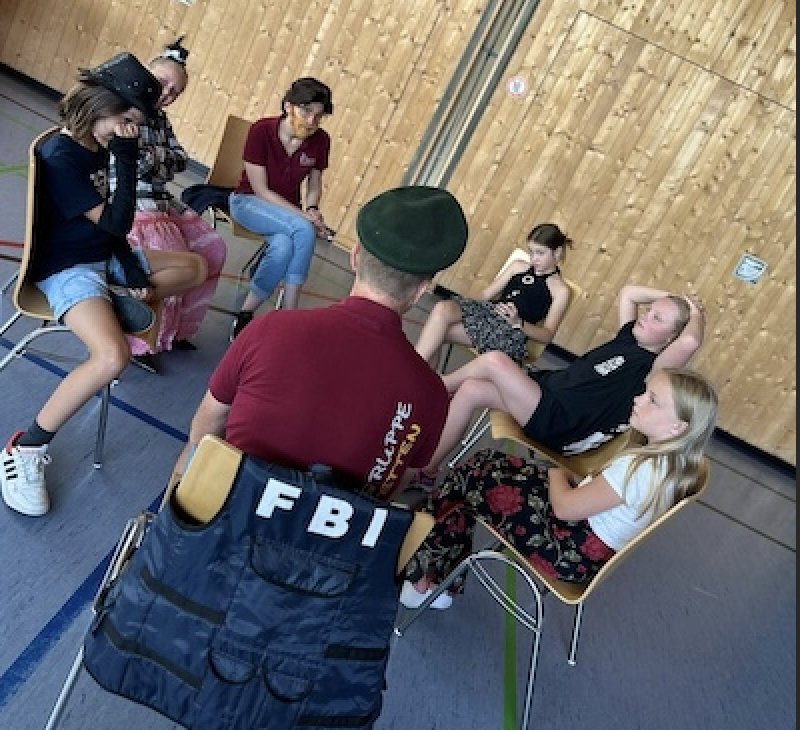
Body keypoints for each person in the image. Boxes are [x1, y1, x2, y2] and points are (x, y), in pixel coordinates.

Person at [0, 53, 203, 517]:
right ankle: (25, 448)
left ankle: (116, 299)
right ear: (101, 105)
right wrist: (126, 160)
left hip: (102, 256)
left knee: (193, 267)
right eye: (125, 121)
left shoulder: (95, 144)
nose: (127, 132)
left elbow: (112, 235)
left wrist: (131, 271)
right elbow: (116, 223)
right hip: (68, 269)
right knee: (113, 357)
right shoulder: (61, 156)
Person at [174, 185, 469, 500]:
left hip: (226, 510)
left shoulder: (271, 329)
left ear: (355, 256)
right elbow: (386, 493)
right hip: (324, 529)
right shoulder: (432, 396)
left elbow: (204, 431)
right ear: (422, 290)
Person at [399, 367, 718, 609]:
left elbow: (565, 508)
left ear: (677, 427)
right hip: (580, 542)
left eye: (652, 400)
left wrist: (556, 473)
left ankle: (423, 578)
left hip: (565, 547)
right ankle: (438, 572)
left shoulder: (639, 469)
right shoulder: (674, 464)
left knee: (471, 478)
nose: (638, 399)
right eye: (645, 392)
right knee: (488, 465)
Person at [412, 283, 706, 489]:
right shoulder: (629, 336)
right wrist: (673, 299)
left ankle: (425, 388)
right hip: (548, 394)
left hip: (563, 422)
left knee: (495, 362)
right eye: (649, 310)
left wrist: (695, 313)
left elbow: (691, 341)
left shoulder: (654, 369)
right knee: (472, 389)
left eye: (657, 318)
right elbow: (629, 292)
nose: (645, 316)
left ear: (671, 339)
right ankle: (427, 471)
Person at [115, 37, 227, 373]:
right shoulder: (124, 108)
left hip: (160, 199)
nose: (167, 94)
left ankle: (176, 330)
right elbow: (137, 163)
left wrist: (154, 158)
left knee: (213, 248)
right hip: (131, 200)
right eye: (163, 83)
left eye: (176, 92)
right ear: (145, 75)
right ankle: (139, 338)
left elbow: (179, 160)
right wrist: (158, 159)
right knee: (174, 253)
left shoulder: (160, 119)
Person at [228, 76, 335, 340]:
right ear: (288, 106)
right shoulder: (261, 131)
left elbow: (314, 183)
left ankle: (245, 313)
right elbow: (261, 190)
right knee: (303, 229)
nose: (311, 121)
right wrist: (305, 218)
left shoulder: (321, 140)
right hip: (248, 202)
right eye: (306, 111)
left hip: (287, 215)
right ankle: (289, 313)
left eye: (318, 116)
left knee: (284, 247)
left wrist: (312, 208)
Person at [415, 222, 573, 368]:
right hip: (489, 313)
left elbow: (547, 335)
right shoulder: (518, 266)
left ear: (557, 252)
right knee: (443, 308)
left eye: (540, 253)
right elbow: (486, 294)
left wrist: (518, 322)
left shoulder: (560, 290)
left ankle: (414, 371)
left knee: (438, 332)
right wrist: (461, 303)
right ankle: (416, 371)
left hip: (509, 332)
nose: (533, 259)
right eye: (531, 252)